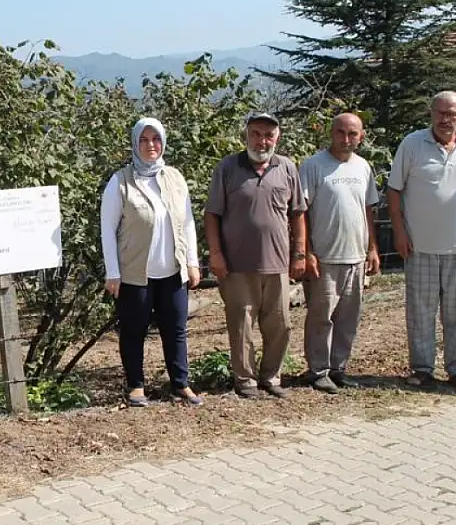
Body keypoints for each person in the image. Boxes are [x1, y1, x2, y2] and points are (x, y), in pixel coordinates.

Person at [386, 91, 456, 391]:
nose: (446, 119)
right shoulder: (412, 143)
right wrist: (399, 231)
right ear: (431, 113)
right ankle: (422, 369)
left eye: (453, 114)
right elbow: (394, 191)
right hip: (419, 246)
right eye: (440, 113)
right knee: (420, 313)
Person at [100, 118, 203, 406]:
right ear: (135, 143)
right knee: (134, 331)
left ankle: (180, 384)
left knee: (176, 329)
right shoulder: (120, 181)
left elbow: (188, 222)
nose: (150, 146)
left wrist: (192, 262)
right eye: (144, 140)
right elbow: (107, 229)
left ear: (163, 142)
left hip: (172, 271)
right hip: (135, 274)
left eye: (155, 139)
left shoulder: (174, 178)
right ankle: (135, 386)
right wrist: (113, 272)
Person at [204, 112, 307, 399]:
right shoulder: (227, 167)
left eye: (268, 135)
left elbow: (297, 213)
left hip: (277, 263)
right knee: (241, 324)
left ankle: (271, 377)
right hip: (237, 265)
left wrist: (299, 253)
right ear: (246, 135)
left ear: (278, 138)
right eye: (256, 133)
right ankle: (245, 380)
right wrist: (216, 254)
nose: (262, 141)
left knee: (280, 324)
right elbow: (211, 214)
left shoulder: (286, 167)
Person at [299, 113, 381, 393]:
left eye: (352, 134)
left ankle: (339, 368)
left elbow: (367, 209)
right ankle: (317, 370)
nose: (346, 139)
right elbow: (301, 212)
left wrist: (372, 248)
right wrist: (306, 251)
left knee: (348, 317)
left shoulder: (363, 167)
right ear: (330, 132)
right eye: (340, 132)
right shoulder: (313, 165)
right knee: (321, 317)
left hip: (356, 256)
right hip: (325, 258)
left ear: (362, 136)